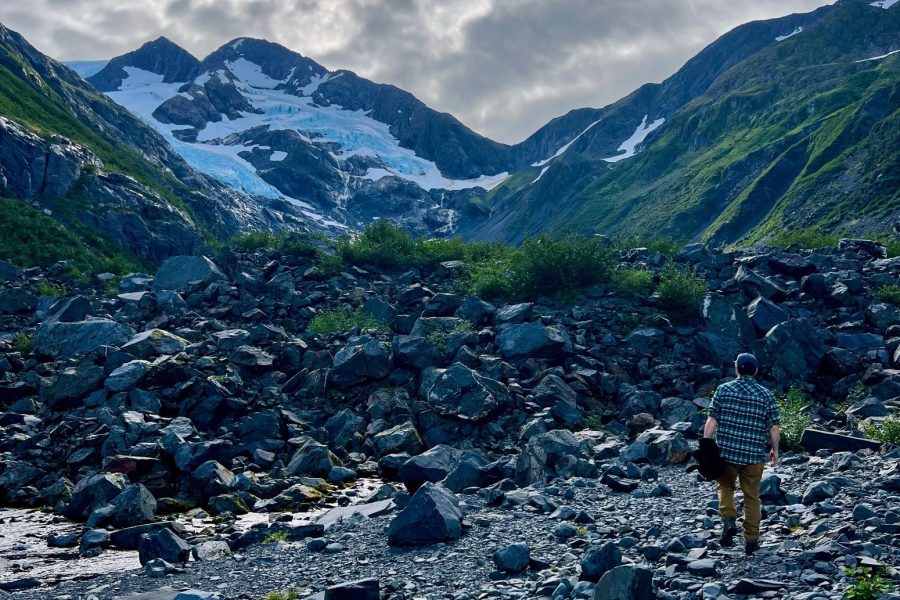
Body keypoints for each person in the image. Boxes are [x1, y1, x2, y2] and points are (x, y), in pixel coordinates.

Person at [702, 353, 780, 555]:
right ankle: (752, 540)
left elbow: (712, 419)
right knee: (752, 497)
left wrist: (706, 442)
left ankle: (728, 520)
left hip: (727, 453)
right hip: (754, 456)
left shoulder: (724, 390)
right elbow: (774, 427)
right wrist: (775, 449)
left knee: (725, 487)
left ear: (736, 369)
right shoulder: (765, 395)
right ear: (755, 370)